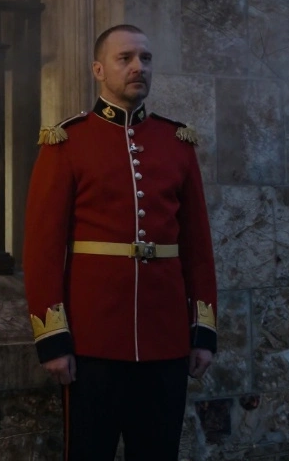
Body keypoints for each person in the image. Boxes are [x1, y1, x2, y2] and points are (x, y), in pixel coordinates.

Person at [23, 24, 217, 460]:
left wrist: (202, 333)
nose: (138, 67)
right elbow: (42, 251)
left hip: (166, 340)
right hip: (93, 342)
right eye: (125, 58)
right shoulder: (66, 142)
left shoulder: (177, 144)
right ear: (98, 69)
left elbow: (199, 248)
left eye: (145, 59)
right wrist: (53, 339)